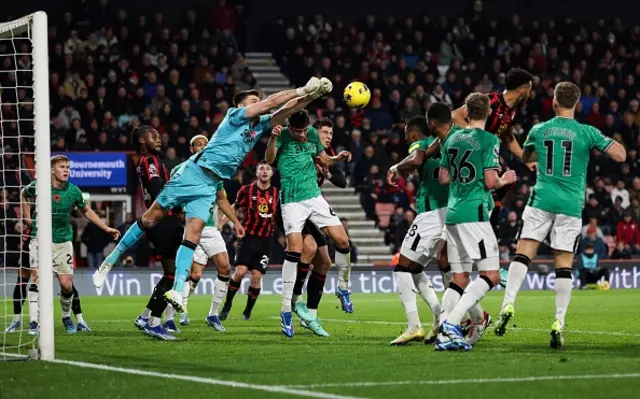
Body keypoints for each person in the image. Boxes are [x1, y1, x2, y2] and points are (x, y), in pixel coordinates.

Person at [94, 77, 334, 314]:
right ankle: (108, 263)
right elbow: (271, 103)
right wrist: (302, 88)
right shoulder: (234, 115)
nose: (256, 103)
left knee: (193, 234)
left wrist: (311, 96)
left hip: (210, 184)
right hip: (194, 173)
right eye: (252, 101)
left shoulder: (258, 126)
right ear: (242, 105)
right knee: (149, 219)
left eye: (256, 100)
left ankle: (177, 289)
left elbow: (284, 112)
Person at [495, 82, 626, 349]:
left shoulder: (539, 130)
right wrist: (598, 144)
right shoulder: (586, 132)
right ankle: (558, 322)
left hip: (542, 198)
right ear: (577, 105)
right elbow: (621, 155)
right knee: (563, 263)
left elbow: (527, 156)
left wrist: (533, 158)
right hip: (570, 204)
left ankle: (507, 305)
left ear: (554, 102)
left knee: (524, 253)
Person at [435, 93, 517, 351]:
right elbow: (492, 183)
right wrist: (508, 179)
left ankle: (443, 336)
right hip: (475, 215)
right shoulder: (490, 139)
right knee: (491, 275)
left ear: (466, 114)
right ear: (490, 114)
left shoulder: (451, 139)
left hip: (452, 214)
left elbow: (443, 178)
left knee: (458, 279)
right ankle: (453, 324)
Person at [265, 110, 351, 337]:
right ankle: (287, 308)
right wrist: (273, 138)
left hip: (314, 198)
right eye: (298, 131)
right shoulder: (281, 135)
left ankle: (343, 288)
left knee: (342, 241)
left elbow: (323, 159)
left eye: (304, 130)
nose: (302, 135)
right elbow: (270, 159)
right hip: (292, 200)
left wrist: (336, 159)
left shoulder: (312, 134)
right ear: (289, 127)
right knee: (297, 249)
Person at [23, 155, 120, 336]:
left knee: (66, 285)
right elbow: (23, 194)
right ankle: (33, 321)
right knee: (36, 278)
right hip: (39, 239)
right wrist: (27, 216)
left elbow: (87, 211)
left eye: (68, 167)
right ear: (52, 170)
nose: (66, 170)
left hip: (63, 241)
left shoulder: (73, 191)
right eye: (62, 167)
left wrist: (106, 228)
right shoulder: (39, 186)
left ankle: (66, 316)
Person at [385, 109, 454, 346]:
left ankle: (414, 326)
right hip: (450, 211)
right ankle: (441, 317)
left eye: (406, 135)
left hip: (430, 214)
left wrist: (395, 167)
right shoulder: (445, 143)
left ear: (413, 133)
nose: (406, 139)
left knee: (402, 268)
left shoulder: (420, 145)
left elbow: (416, 160)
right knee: (416, 268)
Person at [172, 135, 242, 332]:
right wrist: (177, 212)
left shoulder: (215, 171)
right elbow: (172, 196)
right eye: (199, 144)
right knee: (187, 273)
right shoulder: (179, 170)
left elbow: (222, 200)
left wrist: (235, 221)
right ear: (191, 148)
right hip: (191, 227)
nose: (203, 146)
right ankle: (177, 313)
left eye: (206, 144)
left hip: (210, 228)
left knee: (225, 268)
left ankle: (212, 314)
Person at [130, 126, 188, 340]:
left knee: (171, 273)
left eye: (158, 134)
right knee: (174, 274)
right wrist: (177, 201)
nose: (159, 138)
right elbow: (157, 188)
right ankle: (154, 322)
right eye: (152, 136)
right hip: (163, 220)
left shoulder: (148, 161)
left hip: (159, 221)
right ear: (141, 140)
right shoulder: (149, 160)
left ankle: (146, 317)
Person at [219, 160, 278, 323]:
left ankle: (247, 311)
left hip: (266, 241)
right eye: (261, 169)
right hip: (248, 238)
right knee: (239, 272)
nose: (265, 171)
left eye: (268, 169)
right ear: (257, 173)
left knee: (256, 277)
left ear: (271, 173)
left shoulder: (277, 193)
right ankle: (227, 305)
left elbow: (282, 215)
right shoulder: (245, 190)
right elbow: (233, 208)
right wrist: (220, 224)